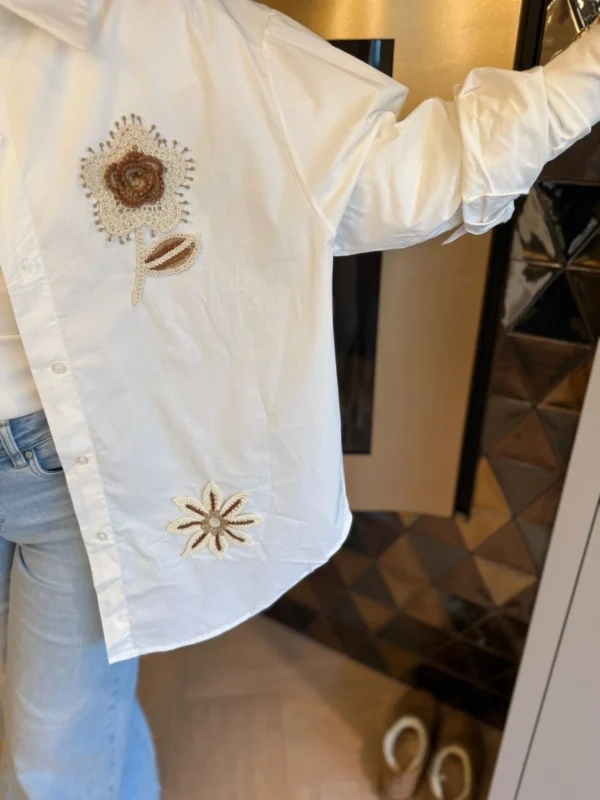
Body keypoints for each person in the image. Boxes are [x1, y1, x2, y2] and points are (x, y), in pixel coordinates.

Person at [0, 0, 599, 796]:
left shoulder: (171, 31)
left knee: (54, 759)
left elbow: (406, 173)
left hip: (74, 481)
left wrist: (586, 74)